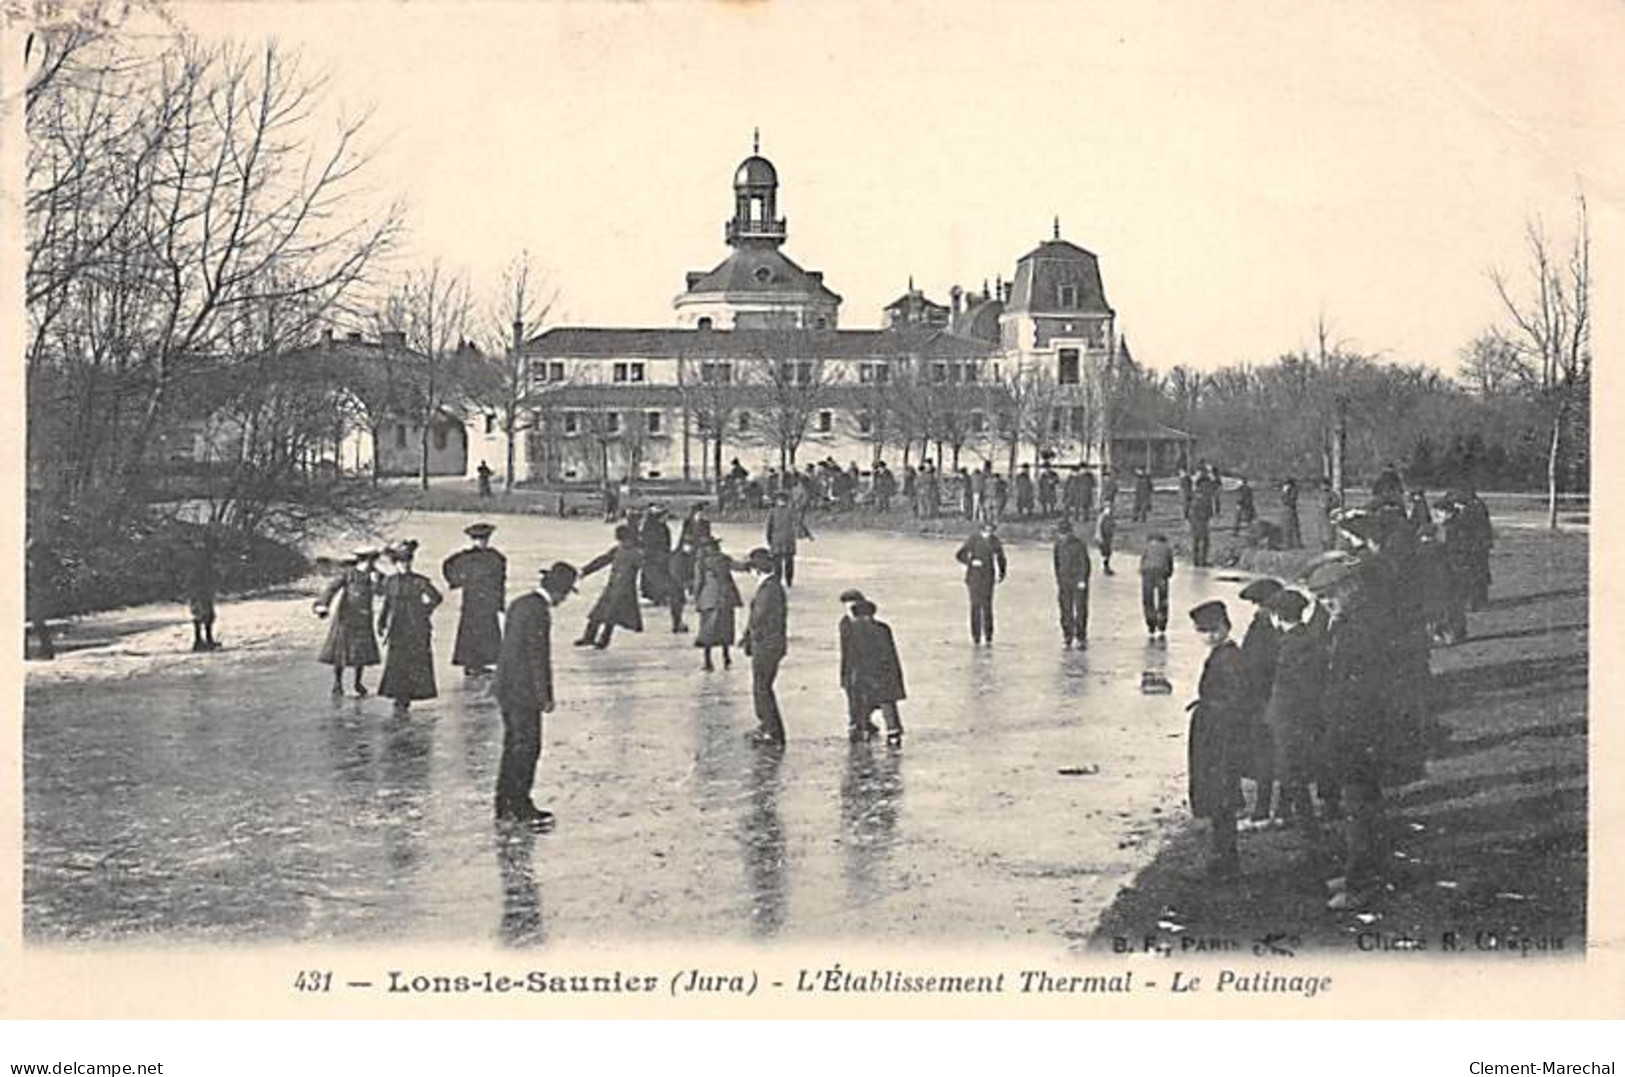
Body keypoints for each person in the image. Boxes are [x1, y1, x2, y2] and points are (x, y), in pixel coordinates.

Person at [1308, 558, 1389, 910]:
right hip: (1349, 728)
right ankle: (1361, 871)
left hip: (1360, 731)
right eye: (1321, 599)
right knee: (1357, 805)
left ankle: (1360, 884)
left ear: (1349, 589)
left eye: (1330, 597)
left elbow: (1367, 687)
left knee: (1360, 807)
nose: (1327, 605)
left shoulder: (1364, 627)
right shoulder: (1347, 621)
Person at [492, 561, 578, 830]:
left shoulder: (520, 603)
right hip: (524, 691)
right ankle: (520, 804)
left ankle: (504, 803)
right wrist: (545, 696)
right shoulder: (538, 611)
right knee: (528, 748)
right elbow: (536, 655)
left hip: (506, 687)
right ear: (560, 592)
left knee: (512, 746)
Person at [1260, 588, 1327, 855]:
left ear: (1277, 616)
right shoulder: (1309, 639)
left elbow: (1284, 687)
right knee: (1293, 771)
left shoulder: (1288, 646)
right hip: (1304, 716)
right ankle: (1290, 816)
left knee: (1291, 773)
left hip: (1288, 718)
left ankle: (1308, 830)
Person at [1186, 600, 1249, 879]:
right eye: (1203, 631)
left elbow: (1237, 700)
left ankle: (1223, 861)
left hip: (1220, 735)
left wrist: (1211, 708)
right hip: (1215, 731)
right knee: (1219, 794)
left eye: (1214, 629)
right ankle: (1223, 858)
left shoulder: (1229, 658)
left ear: (1226, 627)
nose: (1209, 635)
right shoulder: (1223, 654)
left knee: (1220, 793)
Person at [1237, 578, 1285, 826]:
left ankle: (1263, 810)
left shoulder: (1262, 629)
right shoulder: (1270, 628)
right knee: (1272, 756)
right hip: (1265, 700)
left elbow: (1256, 665)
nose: (1258, 610)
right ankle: (1277, 808)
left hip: (1261, 702)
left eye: (1260, 604)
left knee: (1265, 757)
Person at [376, 540, 443, 715]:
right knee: (397, 662)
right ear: (396, 564)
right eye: (401, 562)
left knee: (414, 662)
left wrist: (424, 611)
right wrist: (381, 622)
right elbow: (387, 604)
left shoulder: (420, 581)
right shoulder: (390, 582)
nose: (405, 565)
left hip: (417, 628)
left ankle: (409, 696)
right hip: (397, 627)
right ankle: (399, 696)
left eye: (407, 562)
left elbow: (436, 597)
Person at [315, 545, 384, 697]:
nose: (371, 564)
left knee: (361, 653)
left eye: (372, 561)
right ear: (362, 560)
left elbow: (381, 592)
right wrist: (322, 604)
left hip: (364, 617)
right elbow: (331, 589)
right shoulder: (348, 574)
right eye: (369, 561)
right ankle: (337, 683)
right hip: (346, 616)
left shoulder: (376, 575)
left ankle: (358, 683)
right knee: (341, 651)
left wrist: (376, 582)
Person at [442, 522, 506, 677]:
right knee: (471, 631)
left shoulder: (495, 557)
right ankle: (470, 664)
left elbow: (500, 581)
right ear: (472, 539)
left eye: (484, 539)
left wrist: (500, 602)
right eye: (478, 539)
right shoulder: (465, 557)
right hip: (472, 600)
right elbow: (446, 565)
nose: (481, 542)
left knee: (486, 631)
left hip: (487, 601)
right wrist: (456, 580)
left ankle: (481, 663)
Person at [842, 598, 907, 747]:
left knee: (863, 703)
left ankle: (860, 729)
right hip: (884, 674)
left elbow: (850, 656)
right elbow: (890, 654)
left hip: (862, 675)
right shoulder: (883, 629)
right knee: (887, 703)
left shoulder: (853, 630)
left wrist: (847, 676)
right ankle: (893, 731)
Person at [741, 548, 788, 746]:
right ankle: (766, 725)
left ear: (757, 570)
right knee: (762, 686)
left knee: (762, 687)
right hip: (770, 644)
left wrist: (750, 638)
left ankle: (771, 729)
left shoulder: (769, 589)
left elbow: (758, 618)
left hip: (766, 645)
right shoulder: (772, 586)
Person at [575, 524, 644, 649]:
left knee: (610, 616)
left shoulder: (636, 553)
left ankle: (602, 640)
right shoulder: (619, 549)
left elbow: (648, 569)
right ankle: (589, 637)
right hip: (612, 586)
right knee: (599, 613)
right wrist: (585, 571)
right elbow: (602, 560)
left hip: (625, 590)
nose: (622, 542)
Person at [693, 537, 745, 671]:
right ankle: (726, 657)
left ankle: (708, 661)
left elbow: (698, 582)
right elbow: (739, 567)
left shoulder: (702, 563)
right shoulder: (724, 559)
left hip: (709, 600)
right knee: (725, 629)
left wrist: (697, 598)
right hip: (726, 599)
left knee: (707, 631)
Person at [955, 521, 1007, 645]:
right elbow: (959, 555)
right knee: (975, 606)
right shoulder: (973, 539)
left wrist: (1002, 573)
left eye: (991, 529)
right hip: (974, 577)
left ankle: (989, 636)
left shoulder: (995, 541)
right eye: (987, 529)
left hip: (988, 577)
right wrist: (970, 562)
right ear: (982, 528)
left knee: (987, 606)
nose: (989, 531)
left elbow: (1001, 558)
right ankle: (976, 636)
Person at [1052, 519, 1092, 648]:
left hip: (1078, 582)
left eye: (1064, 533)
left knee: (1080, 609)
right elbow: (1056, 563)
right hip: (1064, 582)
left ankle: (1080, 636)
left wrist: (1082, 580)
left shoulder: (1079, 545)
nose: (1062, 536)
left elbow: (1084, 564)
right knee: (1065, 609)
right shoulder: (1058, 545)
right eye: (1060, 533)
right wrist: (1058, 579)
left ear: (1070, 532)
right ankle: (1067, 636)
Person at [765, 491, 811, 588]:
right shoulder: (791, 511)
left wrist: (769, 540)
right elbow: (799, 523)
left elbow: (769, 527)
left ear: (777, 501)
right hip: (789, 539)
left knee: (777, 562)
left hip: (776, 539)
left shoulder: (772, 512)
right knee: (789, 561)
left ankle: (778, 581)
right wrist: (808, 534)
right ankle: (789, 581)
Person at [186, 529, 222, 653]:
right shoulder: (203, 557)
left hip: (199, 587)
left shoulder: (198, 555)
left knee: (204, 614)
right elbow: (204, 572)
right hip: (201, 587)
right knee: (204, 614)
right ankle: (201, 641)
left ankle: (203, 640)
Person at [1139, 531, 1175, 637]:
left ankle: (1151, 623)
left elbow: (1143, 561)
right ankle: (1162, 622)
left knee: (1148, 599)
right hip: (1161, 572)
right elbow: (1170, 562)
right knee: (1163, 598)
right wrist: (1168, 574)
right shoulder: (1167, 547)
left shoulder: (1147, 547)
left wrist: (1142, 572)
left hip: (1148, 573)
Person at [1188, 472, 1215, 567]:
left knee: (1196, 540)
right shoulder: (1204, 493)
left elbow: (1191, 507)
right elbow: (1207, 507)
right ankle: (1202, 561)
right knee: (1204, 541)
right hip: (1201, 520)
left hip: (1196, 520)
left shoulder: (1196, 493)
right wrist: (1209, 516)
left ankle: (1196, 560)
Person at [1280, 477, 1302, 549]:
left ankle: (1296, 544)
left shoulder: (1293, 490)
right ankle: (1287, 543)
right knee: (1286, 528)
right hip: (1285, 511)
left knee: (1294, 527)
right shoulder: (1286, 490)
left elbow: (1289, 501)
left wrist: (1285, 493)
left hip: (1291, 511)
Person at [1096, 501, 1117, 575]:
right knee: (1105, 553)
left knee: (1107, 553)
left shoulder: (1109, 517)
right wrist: (1100, 538)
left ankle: (1106, 566)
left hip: (1108, 538)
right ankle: (1105, 567)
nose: (1109, 509)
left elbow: (1112, 526)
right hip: (1103, 538)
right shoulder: (1102, 517)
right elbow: (1099, 528)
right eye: (1107, 508)